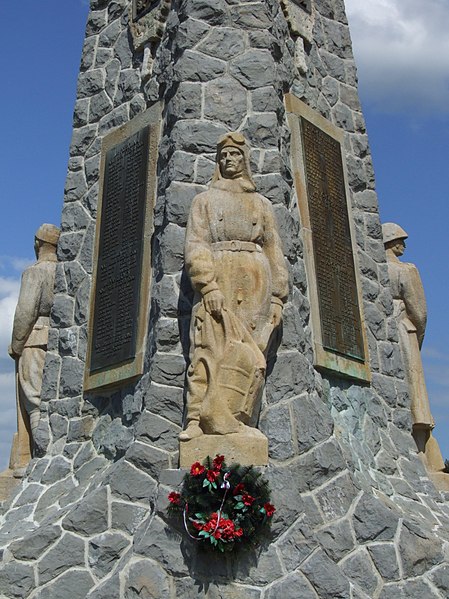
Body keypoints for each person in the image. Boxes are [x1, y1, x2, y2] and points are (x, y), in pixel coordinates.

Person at [180, 132, 288, 441]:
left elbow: (273, 248)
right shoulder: (204, 201)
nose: (229, 160)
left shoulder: (261, 204)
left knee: (250, 351)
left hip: (256, 282)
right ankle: (197, 419)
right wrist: (208, 287)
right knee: (207, 347)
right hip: (219, 276)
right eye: (223, 156)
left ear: (245, 160)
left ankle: (238, 419)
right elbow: (196, 245)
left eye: (235, 155)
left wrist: (278, 297)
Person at [383, 222, 445, 472]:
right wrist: (418, 336)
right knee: (416, 396)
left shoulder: (378, 271)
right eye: (401, 240)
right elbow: (419, 311)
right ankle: (422, 454)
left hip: (387, 330)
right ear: (391, 242)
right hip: (405, 331)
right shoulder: (406, 270)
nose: (404, 245)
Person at [9, 224, 60, 445]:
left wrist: (16, 345)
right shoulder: (63, 270)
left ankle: (40, 452)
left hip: (35, 339)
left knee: (34, 400)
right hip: (57, 340)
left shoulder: (35, 272)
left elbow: (25, 312)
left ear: (38, 243)